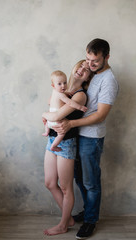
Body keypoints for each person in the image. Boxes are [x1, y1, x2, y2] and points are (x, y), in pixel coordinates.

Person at [52, 38, 119, 239]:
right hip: (78, 136)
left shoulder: (109, 80)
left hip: (92, 138)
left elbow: (100, 115)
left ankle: (90, 220)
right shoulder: (93, 75)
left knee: (91, 182)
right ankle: (88, 211)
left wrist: (70, 124)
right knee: (79, 179)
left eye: (95, 61)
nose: (90, 64)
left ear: (107, 57)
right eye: (88, 59)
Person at [42, 60, 93, 236]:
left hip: (66, 144)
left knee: (65, 187)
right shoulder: (62, 89)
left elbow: (55, 114)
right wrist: (48, 115)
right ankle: (69, 218)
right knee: (49, 183)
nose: (81, 70)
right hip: (51, 140)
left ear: (88, 77)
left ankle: (64, 224)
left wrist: (43, 114)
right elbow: (52, 104)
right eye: (80, 66)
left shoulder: (80, 95)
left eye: (86, 70)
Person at [42, 70, 87, 152]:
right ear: (53, 85)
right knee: (61, 134)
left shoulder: (54, 92)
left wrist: (66, 92)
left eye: (65, 83)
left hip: (49, 120)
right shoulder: (61, 95)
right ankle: (54, 146)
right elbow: (70, 102)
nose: (63, 86)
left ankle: (46, 131)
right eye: (59, 84)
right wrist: (80, 107)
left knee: (47, 123)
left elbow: (50, 101)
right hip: (57, 121)